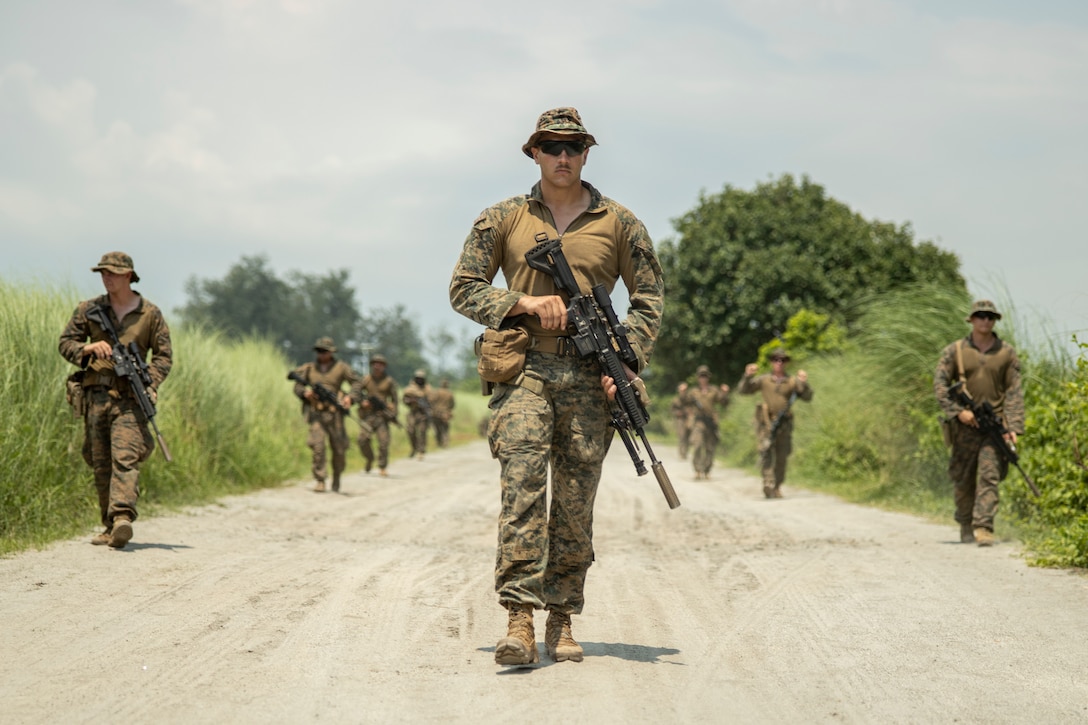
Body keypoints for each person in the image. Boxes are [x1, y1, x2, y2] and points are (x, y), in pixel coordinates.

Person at [449, 107, 664, 666]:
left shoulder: (620, 223)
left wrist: (625, 362)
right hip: (524, 371)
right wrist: (520, 302)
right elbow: (464, 288)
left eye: (572, 147)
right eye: (551, 147)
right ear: (535, 153)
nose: (562, 156)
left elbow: (649, 299)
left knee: (574, 500)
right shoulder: (502, 218)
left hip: (592, 379)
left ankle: (561, 617)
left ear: (587, 153)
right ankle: (519, 618)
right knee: (522, 483)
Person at [58, 252, 173, 548]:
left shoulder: (150, 314)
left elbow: (163, 357)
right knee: (99, 461)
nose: (106, 278)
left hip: (129, 398)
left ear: (128, 276)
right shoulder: (89, 309)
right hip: (95, 395)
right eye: (103, 273)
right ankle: (109, 526)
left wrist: (152, 382)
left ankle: (122, 516)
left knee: (125, 455)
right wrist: (87, 349)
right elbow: (65, 343)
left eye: (112, 273)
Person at [933, 300, 1024, 547]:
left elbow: (1014, 391)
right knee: (962, 479)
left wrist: (1013, 427)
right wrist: (958, 412)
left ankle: (983, 526)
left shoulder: (1006, 353)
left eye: (990, 317)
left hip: (992, 427)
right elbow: (940, 385)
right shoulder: (956, 351)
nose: (985, 321)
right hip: (963, 429)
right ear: (972, 319)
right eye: (981, 316)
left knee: (989, 475)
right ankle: (965, 523)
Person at [738, 348, 813, 499]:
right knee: (765, 452)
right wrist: (747, 376)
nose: (779, 363)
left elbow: (807, 397)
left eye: (782, 360)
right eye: (776, 359)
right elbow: (744, 390)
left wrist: (804, 383)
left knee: (782, 456)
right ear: (771, 361)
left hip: (784, 424)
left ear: (786, 363)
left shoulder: (792, 381)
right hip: (766, 423)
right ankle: (768, 482)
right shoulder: (764, 379)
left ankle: (777, 485)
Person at [289, 337, 360, 493]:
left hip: (335, 414)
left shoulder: (341, 367)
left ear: (331, 352)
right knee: (318, 446)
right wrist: (305, 394)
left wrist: (350, 398)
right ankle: (320, 479)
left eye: (324, 352)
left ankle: (337, 476)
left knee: (339, 449)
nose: (321, 355)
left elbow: (357, 383)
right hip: (317, 413)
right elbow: (297, 385)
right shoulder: (309, 368)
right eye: (319, 351)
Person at [680, 365, 731, 480]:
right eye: (701, 376)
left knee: (710, 447)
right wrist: (682, 393)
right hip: (699, 421)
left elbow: (723, 402)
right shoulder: (694, 391)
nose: (703, 378)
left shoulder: (714, 390)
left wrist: (725, 393)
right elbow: (685, 402)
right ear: (698, 378)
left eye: (705, 376)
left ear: (708, 377)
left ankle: (707, 470)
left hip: (711, 422)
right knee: (697, 445)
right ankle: (698, 470)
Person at [355, 353, 398, 476]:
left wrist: (393, 413)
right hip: (368, 415)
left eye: (380, 364)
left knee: (384, 442)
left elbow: (395, 400)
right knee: (362, 440)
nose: (377, 366)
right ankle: (369, 458)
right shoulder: (366, 379)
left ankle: (382, 466)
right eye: (375, 364)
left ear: (384, 366)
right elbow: (356, 392)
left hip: (382, 416)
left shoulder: (389, 381)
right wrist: (362, 402)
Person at [402, 369, 432, 460]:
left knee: (422, 431)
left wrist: (427, 407)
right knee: (411, 431)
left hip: (423, 413)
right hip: (413, 412)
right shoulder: (410, 389)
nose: (419, 380)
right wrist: (412, 401)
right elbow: (404, 399)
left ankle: (421, 451)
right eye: (418, 378)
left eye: (421, 378)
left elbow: (431, 400)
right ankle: (414, 447)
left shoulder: (427, 388)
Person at [430, 377, 456, 448]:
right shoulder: (450, 394)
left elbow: (431, 401)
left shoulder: (436, 392)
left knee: (437, 428)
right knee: (445, 429)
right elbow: (452, 404)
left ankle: (439, 442)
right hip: (446, 413)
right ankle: (445, 442)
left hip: (436, 413)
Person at [670, 382, 693, 460]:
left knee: (688, 436)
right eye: (681, 390)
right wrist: (677, 413)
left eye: (685, 390)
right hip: (680, 420)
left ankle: (685, 452)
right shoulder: (676, 400)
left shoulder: (689, 398)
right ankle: (682, 454)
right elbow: (672, 410)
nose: (683, 391)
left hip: (688, 418)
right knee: (682, 436)